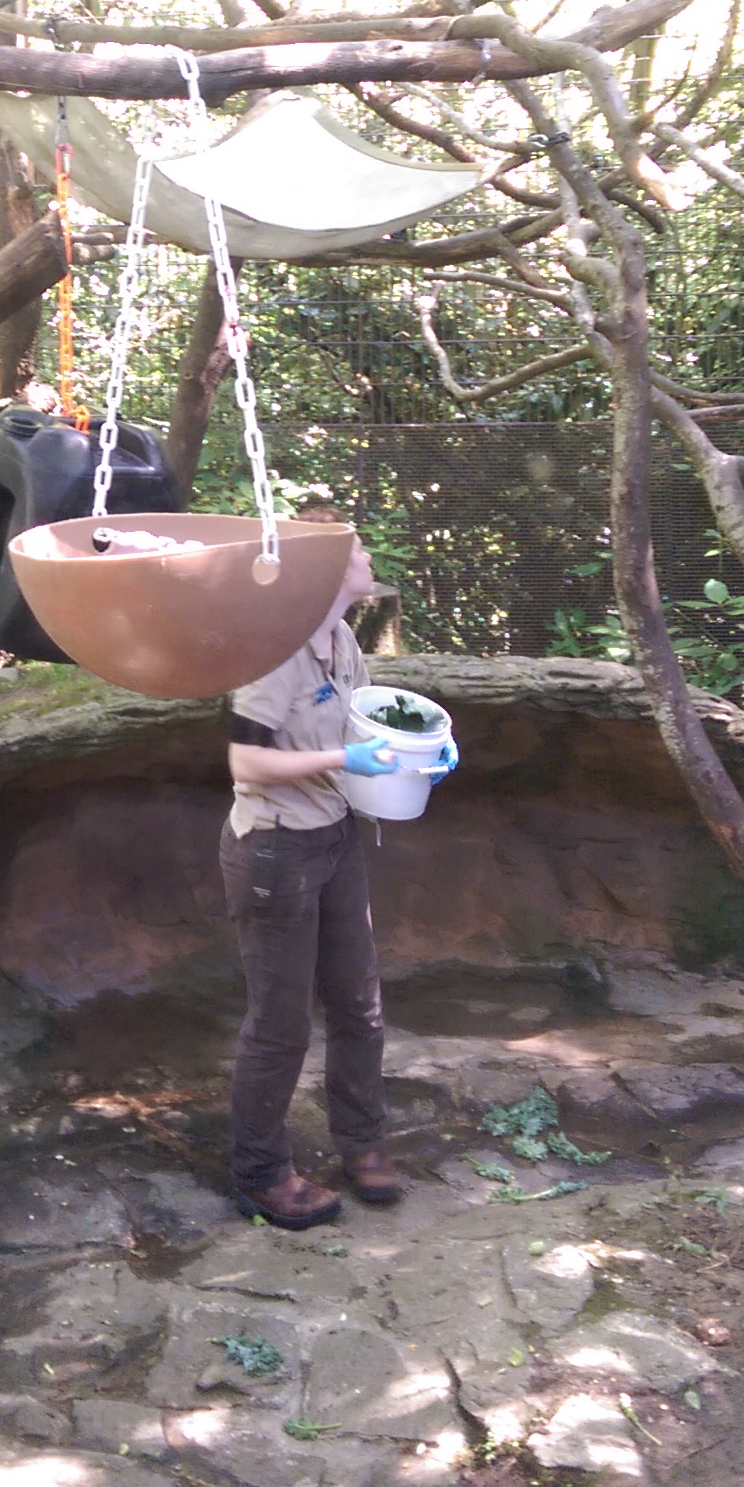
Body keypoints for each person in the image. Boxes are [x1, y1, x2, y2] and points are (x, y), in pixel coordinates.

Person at [219, 515, 456, 1230]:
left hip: (336, 838)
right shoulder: (274, 651)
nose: (367, 554)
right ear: (322, 570)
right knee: (281, 1023)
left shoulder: (342, 639)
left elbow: (365, 725)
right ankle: (260, 1174)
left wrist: (422, 756)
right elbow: (245, 761)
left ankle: (362, 1142)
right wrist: (341, 762)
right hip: (276, 848)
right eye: (355, 549)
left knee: (359, 1002)